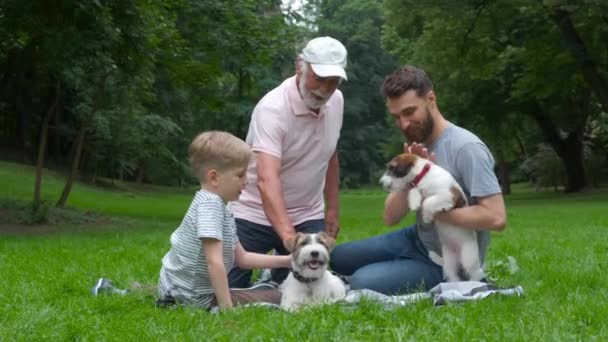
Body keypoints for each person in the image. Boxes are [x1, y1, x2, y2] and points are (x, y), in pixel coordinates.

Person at [330, 65, 507, 294]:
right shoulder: (418, 145)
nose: (403, 124)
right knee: (338, 257)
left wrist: (435, 211)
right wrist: (412, 179)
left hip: (446, 257)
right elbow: (390, 217)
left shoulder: (466, 148)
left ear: (431, 99)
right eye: (396, 117)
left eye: (409, 112)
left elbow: (496, 217)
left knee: (362, 282)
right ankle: (396, 266)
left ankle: (431, 276)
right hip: (416, 238)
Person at [93, 131, 291, 310]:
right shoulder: (210, 207)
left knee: (261, 290)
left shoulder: (219, 206)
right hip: (195, 298)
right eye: (240, 174)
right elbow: (214, 262)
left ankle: (140, 291)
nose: (246, 180)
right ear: (214, 177)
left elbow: (242, 259)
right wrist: (227, 309)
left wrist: (288, 261)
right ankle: (180, 301)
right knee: (276, 296)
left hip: (176, 286)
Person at [228, 36, 348, 288]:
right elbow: (266, 179)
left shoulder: (336, 101)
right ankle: (271, 275)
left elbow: (330, 154)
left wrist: (333, 209)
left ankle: (273, 277)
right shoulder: (272, 109)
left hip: (307, 212)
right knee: (227, 288)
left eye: (333, 81)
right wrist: (289, 238)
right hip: (253, 213)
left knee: (312, 287)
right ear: (300, 67)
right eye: (319, 78)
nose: (325, 89)